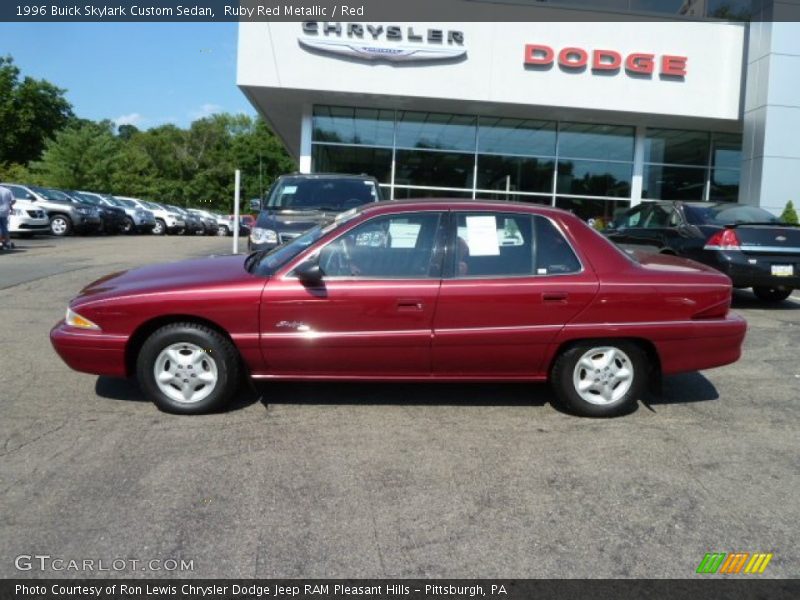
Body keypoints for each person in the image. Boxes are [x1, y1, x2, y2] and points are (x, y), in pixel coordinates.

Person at [0, 184, 15, 251]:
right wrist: (10, 205)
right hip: (5, 210)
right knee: (4, 227)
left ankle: (1, 242)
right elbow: (13, 200)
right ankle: (7, 242)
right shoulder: (7, 190)